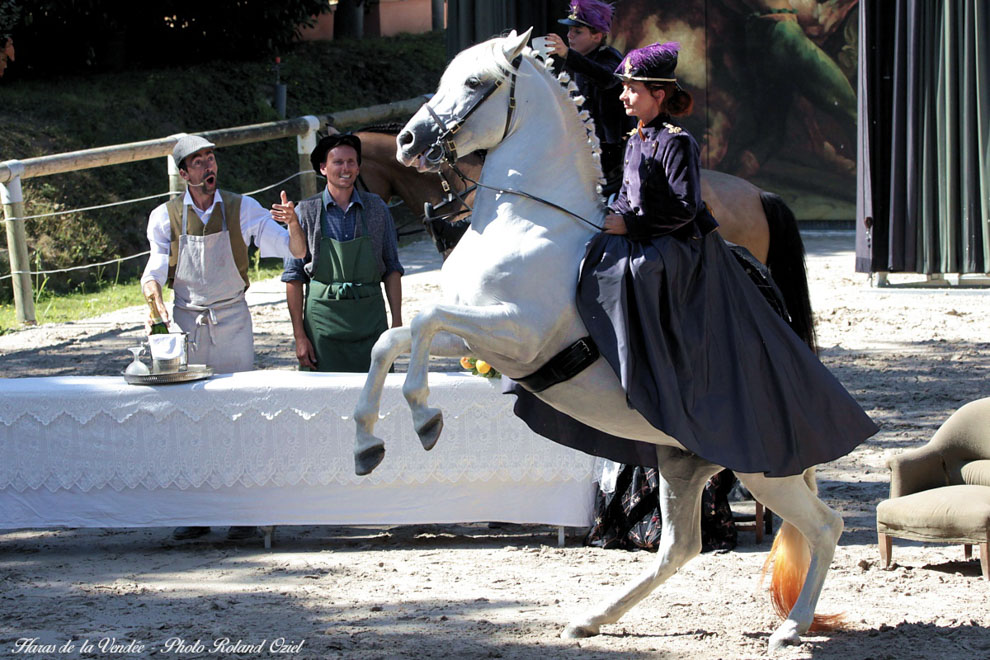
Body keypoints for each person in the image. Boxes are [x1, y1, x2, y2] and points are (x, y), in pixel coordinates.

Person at [141, 134, 306, 541]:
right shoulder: (165, 217)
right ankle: (197, 512)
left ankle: (244, 512)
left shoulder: (241, 208)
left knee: (239, 413)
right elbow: (155, 267)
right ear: (183, 174)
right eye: (198, 162)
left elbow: (294, 252)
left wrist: (294, 224)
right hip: (187, 323)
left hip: (232, 320)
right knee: (191, 417)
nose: (208, 167)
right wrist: (153, 297)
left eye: (210, 159)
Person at [274, 133, 403, 372]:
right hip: (322, 324)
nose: (346, 168)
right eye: (338, 162)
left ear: (358, 166)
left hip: (370, 320)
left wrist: (396, 323)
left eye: (351, 162)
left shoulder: (377, 208)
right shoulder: (305, 212)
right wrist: (300, 337)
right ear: (323, 168)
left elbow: (392, 268)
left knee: (376, 397)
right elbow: (293, 277)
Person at [545, 0, 632, 197]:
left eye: (577, 31)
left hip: (613, 159)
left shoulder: (610, 57)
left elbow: (606, 77)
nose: (569, 36)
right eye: (569, 30)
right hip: (580, 150)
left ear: (597, 36)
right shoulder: (572, 62)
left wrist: (567, 54)